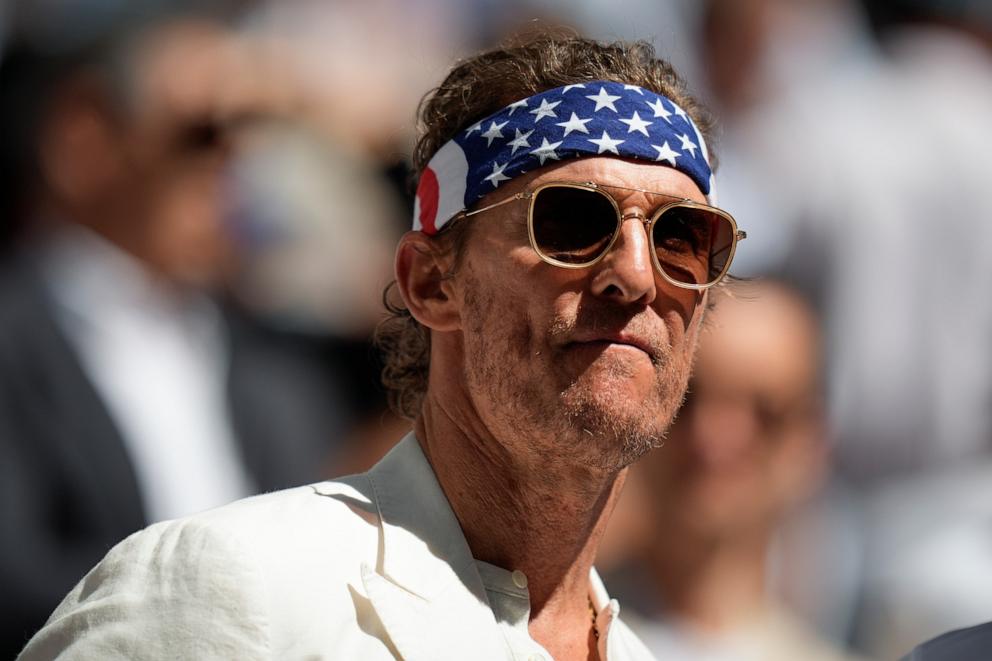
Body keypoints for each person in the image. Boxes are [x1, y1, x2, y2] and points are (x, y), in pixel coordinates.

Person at [18, 34, 746, 660]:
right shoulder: (237, 589)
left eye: (683, 237)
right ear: (431, 282)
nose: (635, 273)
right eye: (571, 221)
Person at [0, 10, 348, 656]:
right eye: (204, 133)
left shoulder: (275, 362)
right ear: (83, 141)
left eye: (252, 131)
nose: (238, 160)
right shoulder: (16, 341)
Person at [606, 282, 857, 660]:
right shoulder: (542, 632)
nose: (715, 437)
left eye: (764, 413)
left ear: (813, 440)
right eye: (688, 398)